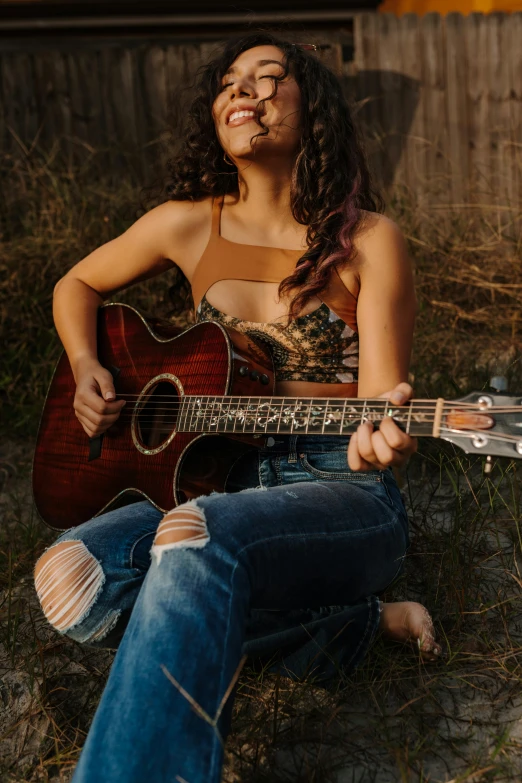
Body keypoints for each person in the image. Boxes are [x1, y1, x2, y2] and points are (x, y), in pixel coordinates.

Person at [33, 33, 441, 783]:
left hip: (337, 487)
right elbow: (75, 286)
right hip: (216, 481)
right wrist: (89, 366)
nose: (241, 92)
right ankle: (343, 627)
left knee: (191, 538)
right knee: (69, 581)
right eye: (227, 85)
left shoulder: (369, 240)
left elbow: (385, 400)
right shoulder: (186, 224)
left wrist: (382, 441)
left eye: (266, 77)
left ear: (309, 105)